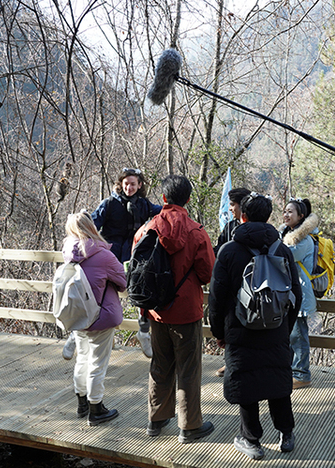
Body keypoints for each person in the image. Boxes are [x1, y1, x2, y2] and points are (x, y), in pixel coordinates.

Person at [208, 193, 303, 460]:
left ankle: (252, 440)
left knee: (247, 382)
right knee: (277, 378)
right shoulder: (281, 249)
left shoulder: (229, 251)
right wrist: (285, 326)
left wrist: (219, 332)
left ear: (243, 216)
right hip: (276, 328)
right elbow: (295, 293)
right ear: (269, 216)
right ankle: (286, 434)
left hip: (240, 329)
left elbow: (216, 297)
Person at [135, 174, 216, 442]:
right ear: (189, 199)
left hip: (157, 311)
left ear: (164, 198)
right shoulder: (196, 232)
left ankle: (155, 421)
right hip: (186, 310)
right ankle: (189, 426)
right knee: (189, 369)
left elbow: (137, 269)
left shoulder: (147, 229)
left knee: (160, 364)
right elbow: (207, 274)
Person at [62, 168, 161, 361]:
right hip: (109, 260)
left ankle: (143, 330)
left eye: (133, 184)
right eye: (126, 183)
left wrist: (174, 207)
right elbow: (92, 222)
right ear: (120, 184)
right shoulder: (109, 204)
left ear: (139, 185)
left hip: (134, 259)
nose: (129, 187)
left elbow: (162, 212)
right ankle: (75, 333)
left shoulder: (143, 205)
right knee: (93, 295)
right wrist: (82, 221)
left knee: (145, 289)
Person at [61, 211, 127, 426]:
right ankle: (96, 409)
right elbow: (123, 281)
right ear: (91, 228)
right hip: (101, 317)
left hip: (79, 316)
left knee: (82, 359)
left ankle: (81, 403)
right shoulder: (104, 255)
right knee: (98, 363)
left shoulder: (68, 254)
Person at [280, 198, 320, 389]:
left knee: (298, 335)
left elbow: (285, 256)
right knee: (291, 334)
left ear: (301, 216)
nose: (286, 215)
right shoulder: (287, 234)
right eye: (285, 211)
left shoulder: (304, 240)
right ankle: (292, 371)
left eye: (290, 212)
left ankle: (302, 374)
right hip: (290, 294)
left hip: (301, 295)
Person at [213, 187, 251, 378]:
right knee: (230, 324)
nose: (230, 209)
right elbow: (218, 250)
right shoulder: (229, 226)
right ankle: (229, 362)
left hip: (248, 286)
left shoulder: (252, 227)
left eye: (233, 205)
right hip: (229, 284)